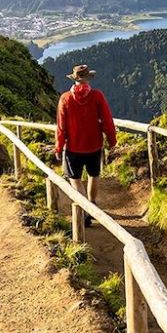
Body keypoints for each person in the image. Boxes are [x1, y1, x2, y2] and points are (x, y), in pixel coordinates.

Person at [54, 64, 117, 227]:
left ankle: (85, 211)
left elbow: (61, 126)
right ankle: (92, 204)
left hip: (73, 147)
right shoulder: (97, 96)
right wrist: (112, 140)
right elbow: (107, 120)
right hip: (94, 145)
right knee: (93, 175)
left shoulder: (65, 98)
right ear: (88, 79)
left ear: (74, 79)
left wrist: (59, 147)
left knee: (74, 179)